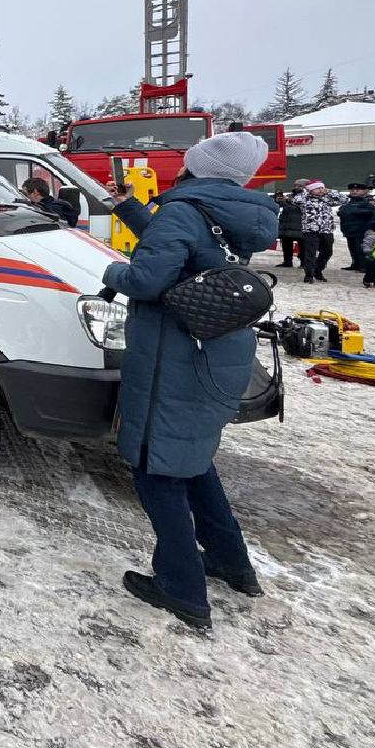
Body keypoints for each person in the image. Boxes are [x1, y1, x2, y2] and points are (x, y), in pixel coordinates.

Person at [102, 131, 277, 631]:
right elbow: (194, 253)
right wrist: (133, 212)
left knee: (155, 469)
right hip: (217, 353)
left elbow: (147, 279)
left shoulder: (184, 210)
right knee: (194, 462)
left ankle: (181, 589)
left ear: (198, 168)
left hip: (173, 357)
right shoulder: (237, 214)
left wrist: (113, 269)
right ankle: (231, 563)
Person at [297, 179, 339, 284]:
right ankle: (309, 274)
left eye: (322, 188)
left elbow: (345, 199)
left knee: (328, 251)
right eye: (317, 188)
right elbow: (296, 200)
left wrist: (329, 191)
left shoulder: (327, 199)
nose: (321, 190)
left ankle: (318, 269)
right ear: (311, 189)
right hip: (311, 230)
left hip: (326, 229)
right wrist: (306, 190)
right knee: (310, 253)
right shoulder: (304, 199)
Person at [338, 183, 375, 271]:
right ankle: (355, 264)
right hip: (349, 229)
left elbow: (372, 212)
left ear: (364, 191)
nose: (354, 192)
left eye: (357, 190)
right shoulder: (348, 201)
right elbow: (341, 211)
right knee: (352, 248)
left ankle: (363, 266)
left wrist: (353, 211)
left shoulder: (369, 201)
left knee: (361, 249)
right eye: (352, 190)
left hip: (361, 230)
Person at [274, 191, 303, 268]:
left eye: (299, 186)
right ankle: (287, 261)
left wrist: (286, 202)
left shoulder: (306, 198)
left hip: (299, 225)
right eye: (296, 185)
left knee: (303, 245)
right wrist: (277, 199)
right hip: (286, 226)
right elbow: (278, 204)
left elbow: (296, 207)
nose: (297, 187)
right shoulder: (289, 196)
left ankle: (304, 262)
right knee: (286, 244)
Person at [362, 208, 375, 289]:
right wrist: (368, 252)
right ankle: (368, 280)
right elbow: (366, 244)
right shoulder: (372, 236)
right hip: (373, 256)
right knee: (372, 270)